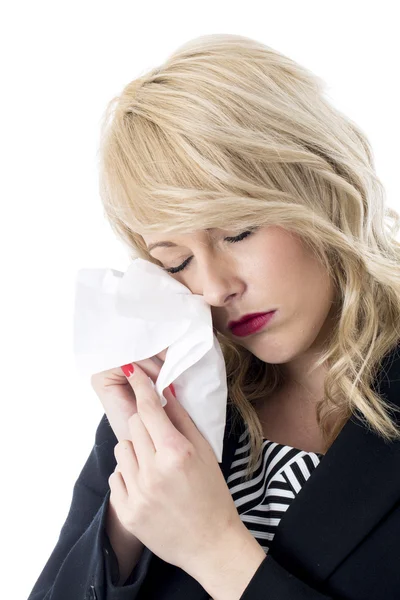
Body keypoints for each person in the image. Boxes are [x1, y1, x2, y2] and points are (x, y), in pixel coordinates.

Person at [27, 33, 400, 600]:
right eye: (175, 262)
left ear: (322, 185)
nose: (213, 289)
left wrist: (215, 549)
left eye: (237, 232)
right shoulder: (177, 395)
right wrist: (130, 516)